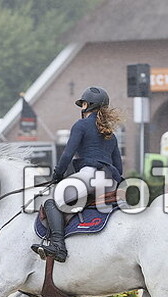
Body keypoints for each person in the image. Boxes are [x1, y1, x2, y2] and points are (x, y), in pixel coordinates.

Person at [32, 86, 123, 262]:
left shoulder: (81, 125)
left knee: (51, 200)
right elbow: (119, 168)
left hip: (89, 176)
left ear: (87, 105)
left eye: (83, 104)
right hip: (110, 181)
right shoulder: (110, 134)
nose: (82, 107)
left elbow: (67, 154)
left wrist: (57, 175)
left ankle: (58, 246)